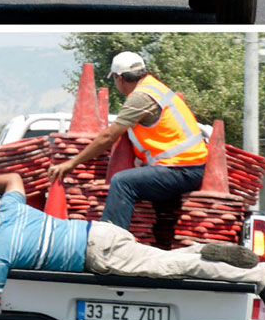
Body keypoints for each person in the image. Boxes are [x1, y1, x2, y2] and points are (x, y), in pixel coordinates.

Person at [0, 172, 265, 319]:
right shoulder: (9, 208)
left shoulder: (0, 254)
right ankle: (206, 249)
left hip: (100, 254)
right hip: (100, 233)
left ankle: (260, 274)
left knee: (172, 268)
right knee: (162, 259)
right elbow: (13, 179)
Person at [49, 51, 210, 230]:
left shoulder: (141, 97)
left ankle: (111, 240)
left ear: (119, 78)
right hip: (188, 167)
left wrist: (71, 164)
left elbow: (109, 136)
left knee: (122, 181)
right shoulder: (155, 87)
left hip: (181, 169)